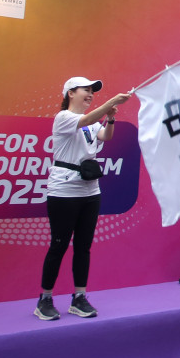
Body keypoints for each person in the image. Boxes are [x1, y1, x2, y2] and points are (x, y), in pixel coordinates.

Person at [35, 77, 131, 321]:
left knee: (83, 247)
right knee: (58, 245)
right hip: (64, 190)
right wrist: (111, 101)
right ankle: (45, 298)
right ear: (70, 93)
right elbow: (86, 120)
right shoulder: (64, 118)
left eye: (92, 91)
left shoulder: (89, 124)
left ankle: (79, 297)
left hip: (90, 190)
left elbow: (105, 136)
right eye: (85, 90)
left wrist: (110, 117)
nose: (90, 94)